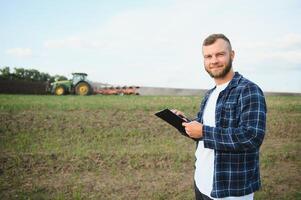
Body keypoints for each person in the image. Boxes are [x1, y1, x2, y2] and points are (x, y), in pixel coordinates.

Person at [172, 34, 267, 200]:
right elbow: (202, 131)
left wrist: (203, 132)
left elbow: (251, 137)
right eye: (208, 56)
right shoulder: (210, 93)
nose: (213, 60)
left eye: (219, 54)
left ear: (232, 55)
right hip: (202, 182)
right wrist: (184, 123)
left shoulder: (248, 90)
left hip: (230, 190)